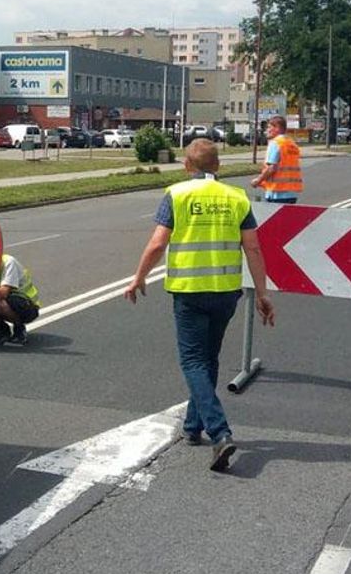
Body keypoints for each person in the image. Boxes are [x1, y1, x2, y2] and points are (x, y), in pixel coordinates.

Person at [124, 139, 275, 472]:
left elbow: (157, 243)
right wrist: (263, 294)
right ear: (218, 166)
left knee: (193, 360)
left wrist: (138, 277)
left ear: (186, 166)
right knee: (208, 359)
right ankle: (193, 427)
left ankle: (220, 433)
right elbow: (253, 249)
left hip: (190, 292)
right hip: (225, 293)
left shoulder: (177, 194)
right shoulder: (237, 197)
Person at [0, 253, 40, 344]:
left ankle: (19, 328)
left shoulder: (8, 262)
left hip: (28, 305)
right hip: (12, 299)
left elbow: (3, 293)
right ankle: (1, 328)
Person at [250, 115, 302, 203]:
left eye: (269, 127)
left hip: (276, 192)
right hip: (291, 192)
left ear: (277, 128)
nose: (267, 130)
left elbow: (271, 168)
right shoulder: (292, 144)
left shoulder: (276, 143)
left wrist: (258, 181)